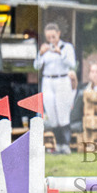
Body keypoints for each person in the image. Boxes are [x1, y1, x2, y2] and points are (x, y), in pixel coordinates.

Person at [33, 22, 77, 154]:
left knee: (62, 112)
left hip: (62, 79)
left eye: (53, 36)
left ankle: (66, 144)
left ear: (58, 34)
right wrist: (40, 54)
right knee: (52, 113)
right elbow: (36, 66)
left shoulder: (67, 47)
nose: (51, 40)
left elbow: (72, 64)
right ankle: (58, 145)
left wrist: (60, 53)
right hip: (48, 80)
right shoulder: (46, 49)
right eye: (49, 37)